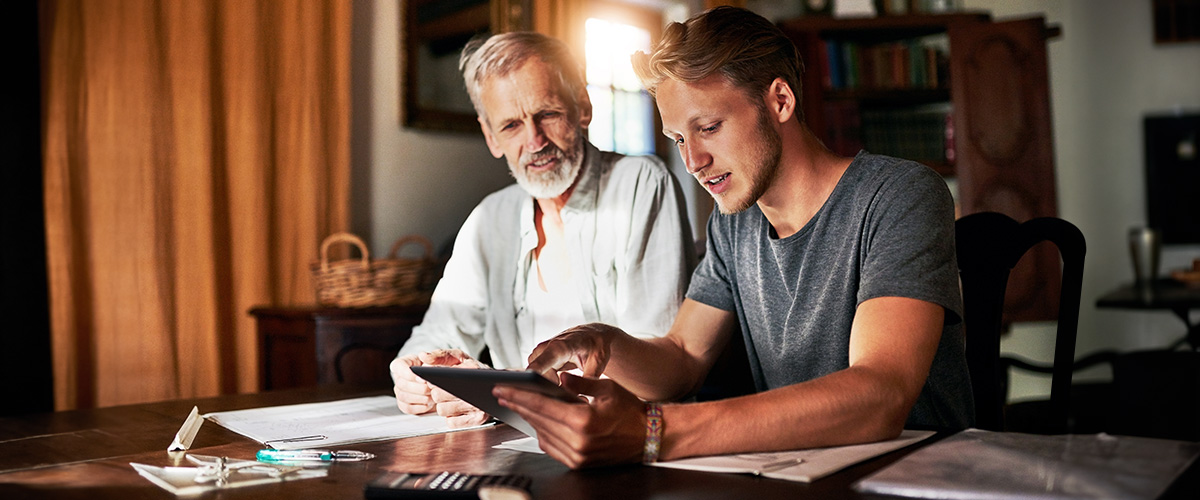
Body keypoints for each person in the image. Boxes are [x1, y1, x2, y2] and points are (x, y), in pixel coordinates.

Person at [494, 6, 973, 468]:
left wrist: (653, 431)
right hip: (797, 474)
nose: (692, 161)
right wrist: (602, 340)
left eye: (708, 127)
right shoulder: (733, 223)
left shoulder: (900, 195)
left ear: (780, 101)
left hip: (915, 475)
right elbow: (683, 357)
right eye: (679, 139)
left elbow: (880, 394)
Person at [390, 32, 697, 429]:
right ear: (491, 136)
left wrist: (507, 391)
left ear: (583, 107)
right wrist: (415, 375)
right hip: (519, 443)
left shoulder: (641, 183)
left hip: (629, 439)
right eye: (511, 125)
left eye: (548, 114)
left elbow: (659, 372)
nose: (534, 141)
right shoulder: (489, 218)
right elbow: (436, 334)